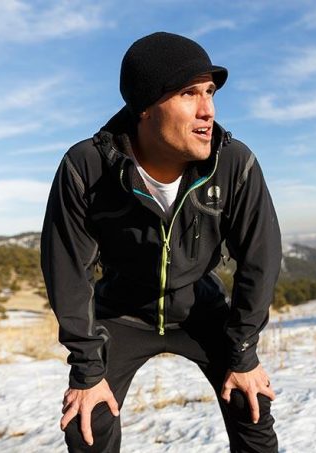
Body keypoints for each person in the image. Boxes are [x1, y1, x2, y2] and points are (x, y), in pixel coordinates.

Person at [40, 31, 282, 452]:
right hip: (122, 312)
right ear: (145, 107)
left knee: (252, 404)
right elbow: (66, 268)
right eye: (190, 93)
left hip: (200, 309)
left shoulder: (234, 162)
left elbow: (260, 259)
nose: (208, 110)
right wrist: (86, 371)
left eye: (210, 92)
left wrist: (243, 353)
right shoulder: (86, 166)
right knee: (86, 425)